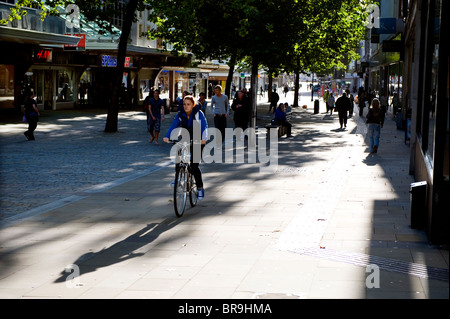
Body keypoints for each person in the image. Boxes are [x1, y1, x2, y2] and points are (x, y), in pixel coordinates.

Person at [163, 95, 208, 200]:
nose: (186, 106)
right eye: (184, 104)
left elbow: (204, 126)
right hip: (186, 139)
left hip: (198, 140)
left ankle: (200, 188)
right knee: (178, 155)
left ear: (193, 105)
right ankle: (178, 177)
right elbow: (173, 125)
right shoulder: (180, 114)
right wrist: (167, 136)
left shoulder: (198, 114)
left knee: (194, 165)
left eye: (188, 104)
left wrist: (204, 139)